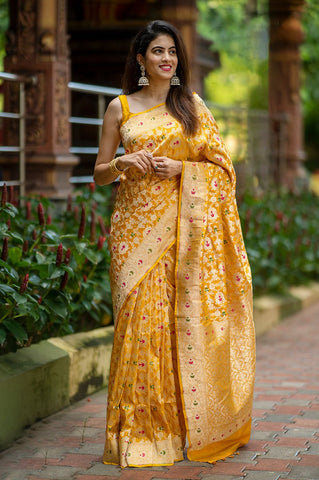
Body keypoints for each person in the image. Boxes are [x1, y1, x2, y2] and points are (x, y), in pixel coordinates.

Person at [93, 20, 255, 468]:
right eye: (158, 52)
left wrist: (182, 170)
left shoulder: (192, 106)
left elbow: (222, 169)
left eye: (172, 52)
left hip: (183, 233)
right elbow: (99, 172)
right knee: (138, 329)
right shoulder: (119, 108)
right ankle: (138, 433)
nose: (167, 59)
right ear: (141, 60)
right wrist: (124, 162)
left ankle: (176, 430)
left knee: (173, 327)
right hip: (133, 233)